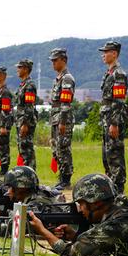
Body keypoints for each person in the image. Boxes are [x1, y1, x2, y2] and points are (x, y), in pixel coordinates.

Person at [0, 166, 54, 236]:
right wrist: (3, 212)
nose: (8, 192)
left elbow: (2, 230)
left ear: (21, 188)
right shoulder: (34, 197)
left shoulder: (36, 203)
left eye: (10, 187)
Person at [98, 41, 128, 194]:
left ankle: (119, 189)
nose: (103, 54)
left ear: (115, 53)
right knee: (107, 155)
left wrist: (114, 123)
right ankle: (111, 187)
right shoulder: (108, 73)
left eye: (106, 51)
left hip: (113, 121)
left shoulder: (119, 74)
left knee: (115, 154)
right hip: (106, 120)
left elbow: (119, 100)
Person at [49, 48, 76, 190]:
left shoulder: (67, 78)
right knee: (57, 149)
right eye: (52, 60)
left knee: (63, 148)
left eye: (55, 60)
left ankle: (66, 179)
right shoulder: (59, 78)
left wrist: (63, 122)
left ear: (63, 60)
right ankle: (61, 177)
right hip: (56, 118)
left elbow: (65, 102)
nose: (53, 63)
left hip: (62, 119)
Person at [14, 59, 38, 170]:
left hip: (26, 121)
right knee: (22, 147)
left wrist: (25, 124)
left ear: (26, 69)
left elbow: (29, 107)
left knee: (27, 147)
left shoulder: (29, 85)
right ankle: (25, 171)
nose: (17, 70)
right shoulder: (22, 84)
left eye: (19, 67)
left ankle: (30, 172)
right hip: (20, 120)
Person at [0, 66, 14, 175]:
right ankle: (2, 167)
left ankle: (4, 169)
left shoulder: (5, 92)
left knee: (3, 145)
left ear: (3, 76)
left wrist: (4, 126)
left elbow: (6, 110)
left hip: (3, 124)